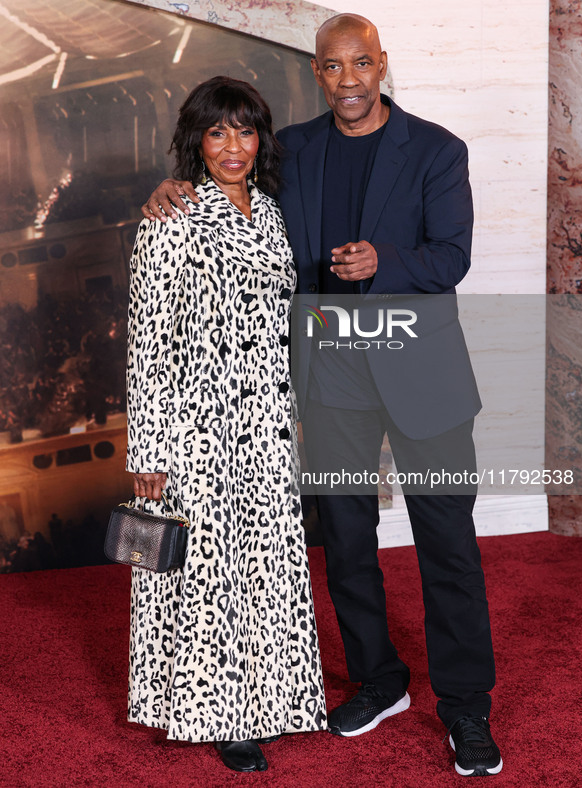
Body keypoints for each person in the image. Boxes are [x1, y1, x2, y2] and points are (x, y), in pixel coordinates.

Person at [142, 15, 502, 778]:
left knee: (448, 548)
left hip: (424, 382)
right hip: (330, 382)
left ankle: (466, 708)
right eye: (332, 67)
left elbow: (453, 257)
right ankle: (380, 679)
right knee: (345, 546)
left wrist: (386, 259)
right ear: (317, 74)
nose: (347, 80)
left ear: (380, 65)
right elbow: (225, 186)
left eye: (360, 64)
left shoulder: (438, 149)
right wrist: (170, 188)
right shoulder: (292, 150)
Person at [126, 75, 326, 774]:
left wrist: (294, 415)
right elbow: (148, 342)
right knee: (206, 575)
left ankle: (274, 698)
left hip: (266, 421)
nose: (233, 146)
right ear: (196, 141)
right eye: (217, 132)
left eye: (244, 131)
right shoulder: (171, 217)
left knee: (266, 565)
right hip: (195, 427)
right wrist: (146, 449)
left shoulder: (271, 214)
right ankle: (219, 713)